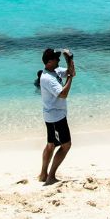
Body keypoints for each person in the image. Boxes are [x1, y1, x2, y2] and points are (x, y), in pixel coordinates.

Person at [38, 47, 74, 185]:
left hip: (53, 115)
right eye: (56, 58)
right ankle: (51, 176)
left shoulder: (56, 70)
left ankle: (43, 174)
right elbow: (63, 94)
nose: (58, 59)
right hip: (56, 117)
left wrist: (69, 58)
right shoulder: (47, 78)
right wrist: (70, 79)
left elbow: (71, 72)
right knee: (66, 145)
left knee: (51, 145)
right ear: (49, 62)